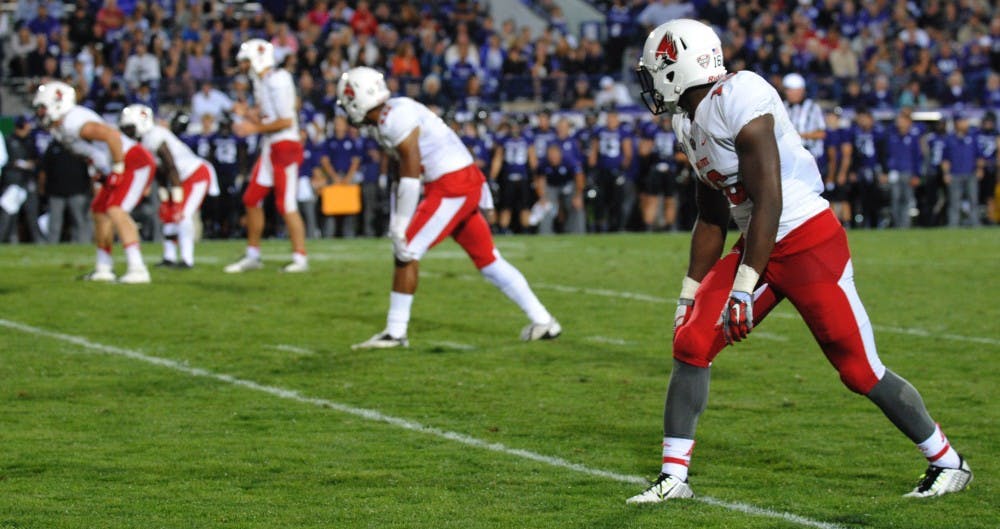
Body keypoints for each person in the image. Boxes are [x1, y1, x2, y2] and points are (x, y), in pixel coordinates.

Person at [628, 19, 972, 504]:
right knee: (692, 340)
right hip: (759, 243)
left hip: (806, 240)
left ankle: (947, 461)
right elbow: (710, 216)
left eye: (655, 70)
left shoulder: (740, 95)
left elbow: (770, 197)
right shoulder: (687, 122)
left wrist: (745, 284)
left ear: (676, 67)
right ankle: (674, 476)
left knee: (859, 370)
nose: (649, 82)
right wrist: (689, 292)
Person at [337, 66, 561, 349]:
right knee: (489, 261)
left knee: (405, 250)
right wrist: (397, 218)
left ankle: (395, 332)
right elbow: (398, 176)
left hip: (452, 184)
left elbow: (409, 176)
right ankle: (544, 321)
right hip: (458, 181)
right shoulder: (388, 117)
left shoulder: (395, 117)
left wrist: (401, 225)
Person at [33, 81, 156, 283]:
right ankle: (104, 267)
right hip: (117, 163)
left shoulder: (73, 121)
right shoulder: (61, 127)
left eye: (42, 108)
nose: (40, 113)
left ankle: (138, 268)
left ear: (57, 104)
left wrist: (117, 168)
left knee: (116, 209)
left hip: (132, 160)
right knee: (99, 210)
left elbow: (112, 135)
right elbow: (89, 153)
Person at [225, 39, 309, 273]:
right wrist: (247, 115)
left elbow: (285, 121)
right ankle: (253, 255)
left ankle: (300, 258)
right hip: (271, 145)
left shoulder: (277, 80)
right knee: (251, 199)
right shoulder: (264, 81)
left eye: (246, 61)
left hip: (284, 146)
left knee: (286, 204)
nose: (243, 66)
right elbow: (267, 118)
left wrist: (253, 128)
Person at [119, 104, 219, 268]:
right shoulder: (144, 141)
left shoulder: (155, 136)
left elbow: (171, 167)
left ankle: (187, 259)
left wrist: (177, 199)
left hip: (195, 174)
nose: (127, 133)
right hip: (178, 179)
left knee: (183, 215)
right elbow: (161, 171)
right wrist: (165, 198)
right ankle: (169, 256)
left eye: (130, 128)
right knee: (168, 215)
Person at [39, 138, 92, 243]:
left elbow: (90, 169)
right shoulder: (52, 146)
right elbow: (44, 169)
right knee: (54, 222)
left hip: (78, 190)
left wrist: (90, 188)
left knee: (79, 220)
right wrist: (42, 188)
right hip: (56, 191)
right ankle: (51, 245)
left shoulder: (80, 146)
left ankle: (83, 244)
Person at [0, 116, 42, 243]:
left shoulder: (30, 141)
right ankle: (9, 240)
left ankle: (38, 241)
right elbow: (4, 161)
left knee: (32, 214)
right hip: (12, 182)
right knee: (9, 214)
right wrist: (17, 164)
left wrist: (32, 164)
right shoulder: (8, 140)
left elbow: (37, 160)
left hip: (28, 180)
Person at [941, 114, 982, 227]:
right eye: (963, 121)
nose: (965, 123)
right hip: (955, 174)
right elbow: (945, 159)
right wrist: (946, 173)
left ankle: (975, 224)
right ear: (956, 123)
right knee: (954, 202)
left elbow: (978, 156)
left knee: (973, 200)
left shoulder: (973, 137)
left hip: (971, 173)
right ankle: (953, 224)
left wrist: (979, 169)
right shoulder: (949, 139)